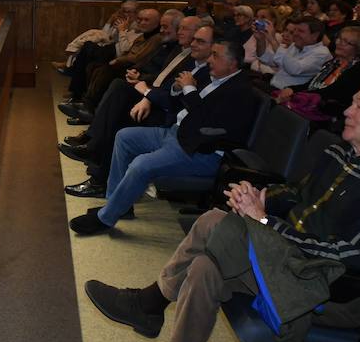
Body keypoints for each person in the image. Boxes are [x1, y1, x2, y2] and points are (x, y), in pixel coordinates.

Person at [82, 84, 360, 342]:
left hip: (327, 288)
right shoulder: (337, 154)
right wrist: (258, 196)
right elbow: (295, 194)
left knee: (215, 222)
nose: (347, 111)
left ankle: (150, 303)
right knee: (203, 269)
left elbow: (351, 257)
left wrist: (265, 221)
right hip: (287, 262)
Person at [68, 40, 261, 236]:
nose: (210, 59)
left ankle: (105, 218)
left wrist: (189, 90)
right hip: (177, 133)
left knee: (141, 164)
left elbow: (205, 122)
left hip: (200, 149)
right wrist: (179, 89)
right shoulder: (215, 77)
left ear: (233, 63)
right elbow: (179, 102)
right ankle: (118, 204)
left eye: (216, 56)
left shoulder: (240, 92)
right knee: (124, 137)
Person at [62, 20, 211, 198]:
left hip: (170, 119)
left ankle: (98, 171)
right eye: (193, 39)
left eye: (199, 40)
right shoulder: (189, 60)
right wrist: (148, 92)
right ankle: (94, 152)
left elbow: (179, 104)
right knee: (118, 92)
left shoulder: (207, 71)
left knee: (120, 117)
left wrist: (148, 94)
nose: (193, 42)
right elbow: (165, 84)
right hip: (159, 102)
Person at [275, 26, 360, 128]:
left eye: (346, 42)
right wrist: (291, 89)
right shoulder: (332, 63)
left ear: (358, 48)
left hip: (328, 113)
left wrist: (296, 94)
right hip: (311, 103)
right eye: (339, 39)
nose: (338, 43)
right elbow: (310, 85)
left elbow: (331, 92)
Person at [256, 17, 331, 90]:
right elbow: (271, 61)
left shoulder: (322, 53)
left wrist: (272, 40)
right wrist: (260, 40)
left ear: (315, 35)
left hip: (290, 97)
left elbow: (295, 69)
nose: (295, 34)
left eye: (300, 31)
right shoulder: (295, 46)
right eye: (295, 30)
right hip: (272, 87)